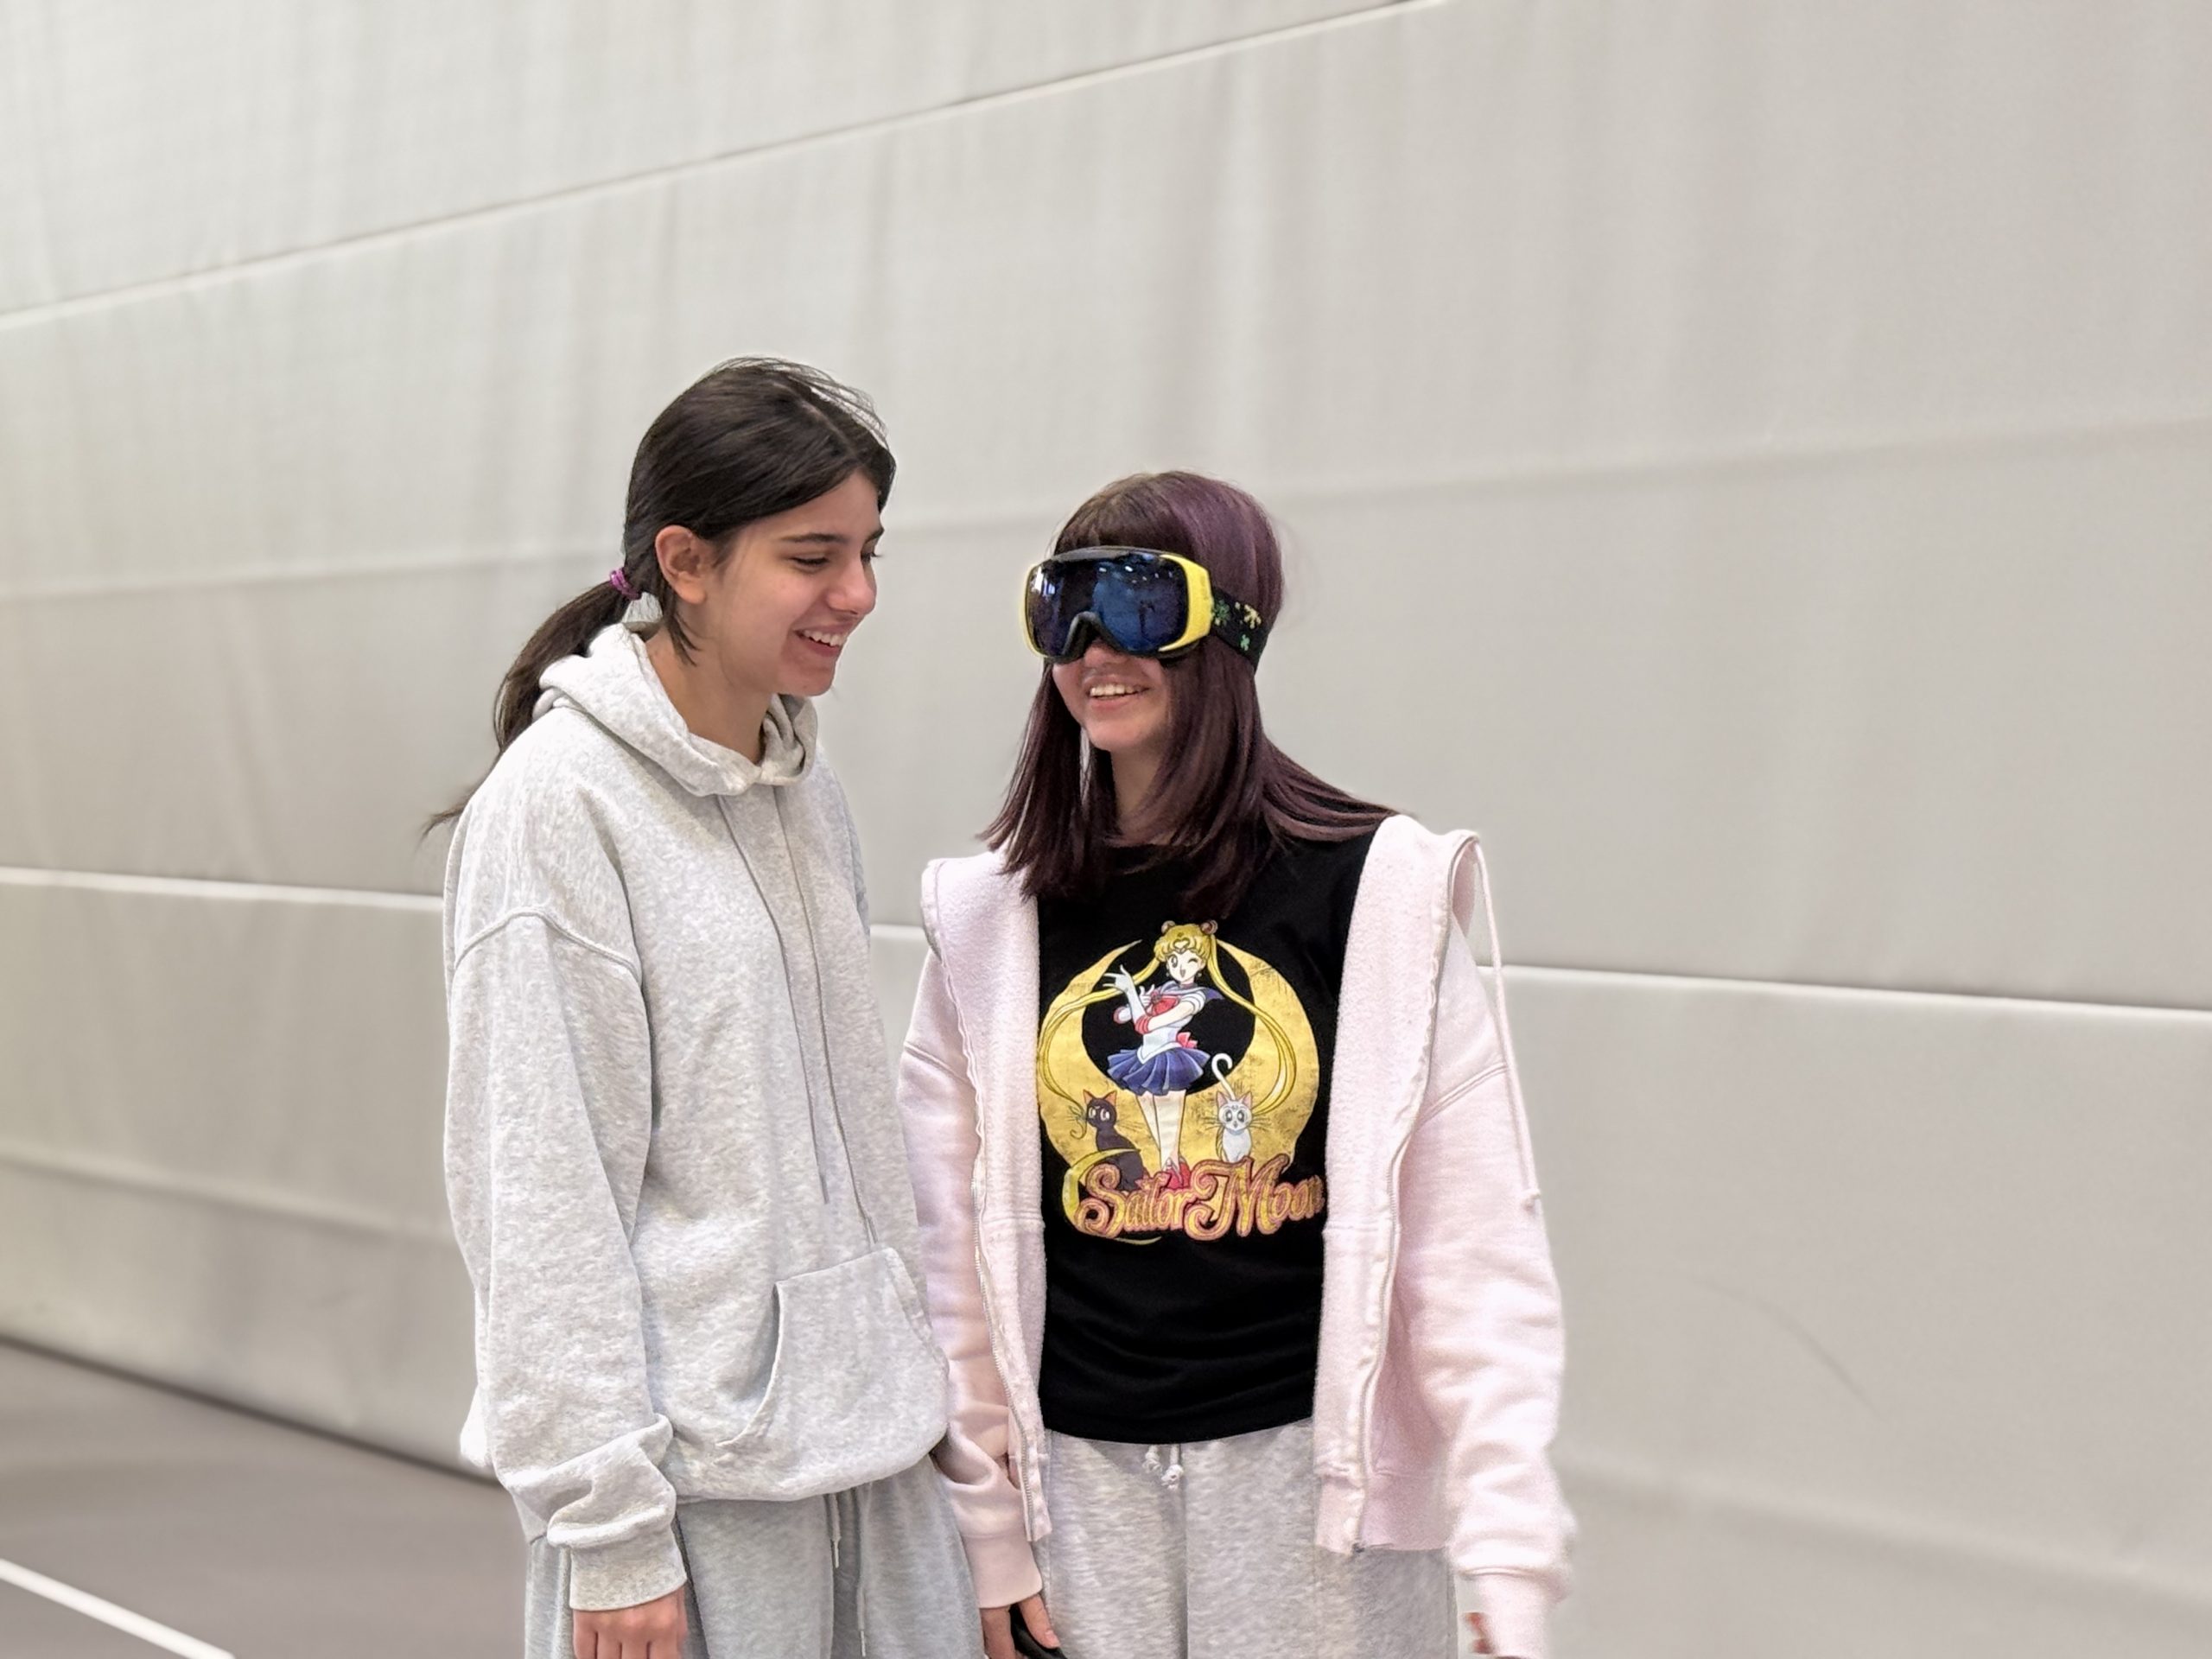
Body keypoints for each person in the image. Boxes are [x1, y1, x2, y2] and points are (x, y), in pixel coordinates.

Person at [896, 472, 1573, 1659]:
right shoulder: (993, 917)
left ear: (1233, 631)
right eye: (1061, 605)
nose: (1094, 645)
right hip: (1075, 1498)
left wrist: (1508, 1552)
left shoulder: (1374, 892)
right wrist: (987, 1527)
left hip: (1314, 1497)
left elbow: (1474, 1245)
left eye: (1138, 601)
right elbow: (942, 1244)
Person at [439, 359, 975, 1658]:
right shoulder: (556, 810)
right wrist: (610, 1532)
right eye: (812, 558)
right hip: (695, 1508)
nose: (857, 594)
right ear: (684, 561)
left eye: (867, 553)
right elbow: (541, 1195)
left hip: (878, 1460)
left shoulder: (806, 787)